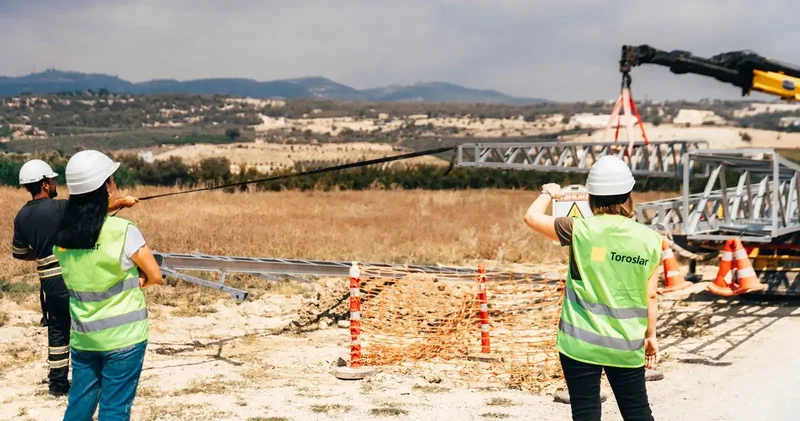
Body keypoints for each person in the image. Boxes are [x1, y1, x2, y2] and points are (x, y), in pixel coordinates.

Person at [523, 155, 661, 421]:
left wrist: (548, 192)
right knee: (637, 412)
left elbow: (531, 217)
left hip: (579, 343)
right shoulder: (651, 239)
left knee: (585, 412)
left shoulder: (577, 229)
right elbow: (651, 295)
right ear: (629, 195)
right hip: (626, 343)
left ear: (591, 197)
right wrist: (650, 336)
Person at [11, 159, 139, 397]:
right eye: (53, 179)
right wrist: (122, 202)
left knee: (58, 330)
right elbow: (90, 211)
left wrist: (42, 253)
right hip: (71, 276)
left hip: (48, 281)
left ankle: (57, 384)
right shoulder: (59, 207)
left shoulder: (21, 217)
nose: (55, 182)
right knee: (87, 324)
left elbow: (19, 253)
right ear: (45, 184)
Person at [52, 150, 162, 421]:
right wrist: (140, 281)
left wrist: (119, 202)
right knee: (114, 410)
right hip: (124, 337)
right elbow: (155, 275)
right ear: (106, 186)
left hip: (84, 336)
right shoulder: (123, 231)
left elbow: (84, 216)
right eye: (111, 180)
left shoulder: (63, 235)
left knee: (79, 405)